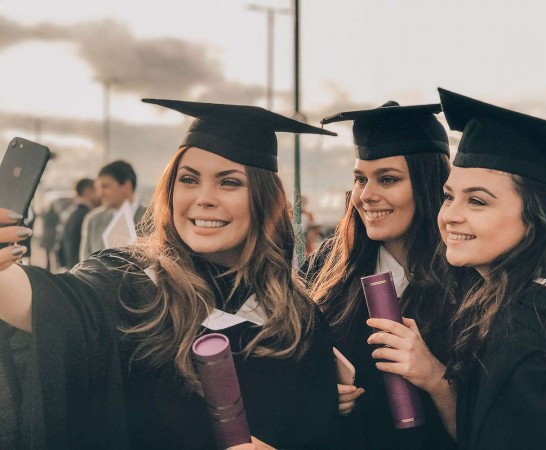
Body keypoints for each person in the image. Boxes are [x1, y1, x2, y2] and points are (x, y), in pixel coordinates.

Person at [0, 98, 340, 449]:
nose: (203, 198)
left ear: (264, 199)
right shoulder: (127, 283)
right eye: (189, 179)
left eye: (229, 183)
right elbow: (43, 304)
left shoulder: (299, 323)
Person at [437, 88, 546, 450]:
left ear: (534, 218)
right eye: (449, 196)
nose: (450, 215)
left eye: (477, 201)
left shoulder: (525, 338)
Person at [303, 101, 456, 449]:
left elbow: (494, 427)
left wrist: (434, 376)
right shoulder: (328, 267)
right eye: (360, 179)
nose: (367, 196)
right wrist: (319, 395)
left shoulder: (467, 280)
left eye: (387, 179)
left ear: (428, 184)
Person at [79, 160, 146, 260]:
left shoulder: (153, 219)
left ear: (126, 186)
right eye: (99, 188)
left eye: (105, 186)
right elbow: (83, 264)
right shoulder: (94, 220)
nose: (100, 194)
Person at [58, 178, 99, 269]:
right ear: (88, 191)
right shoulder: (87, 216)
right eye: (97, 189)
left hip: (72, 269)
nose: (100, 194)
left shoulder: (71, 212)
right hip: (82, 270)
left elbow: (61, 245)